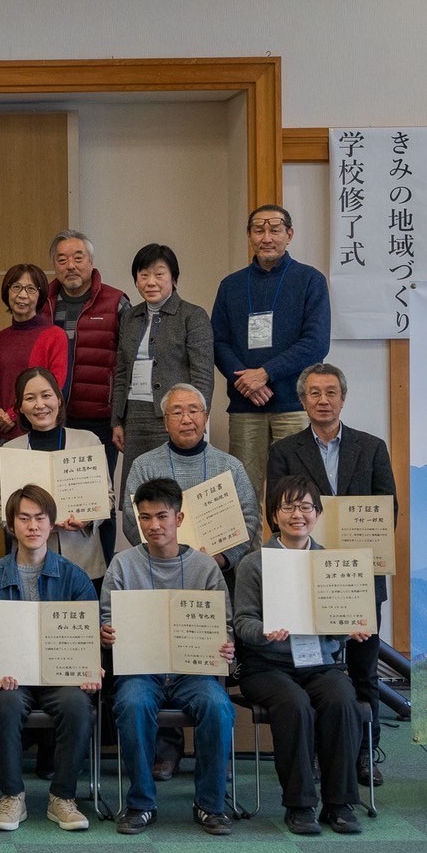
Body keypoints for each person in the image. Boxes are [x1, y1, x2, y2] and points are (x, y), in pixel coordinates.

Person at [266, 362, 397, 786]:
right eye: (314, 393)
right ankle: (322, 752)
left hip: (360, 576)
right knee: (314, 667)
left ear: (343, 397)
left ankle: (364, 752)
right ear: (302, 400)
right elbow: (277, 512)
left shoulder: (372, 446)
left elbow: (386, 510)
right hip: (302, 575)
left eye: (331, 392)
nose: (323, 400)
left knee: (364, 671)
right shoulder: (284, 450)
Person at [101, 477, 236, 836]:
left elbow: (223, 623)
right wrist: (106, 632)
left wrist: (226, 644)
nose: (154, 525)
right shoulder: (122, 565)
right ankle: (141, 803)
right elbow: (105, 617)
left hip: (193, 672)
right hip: (141, 670)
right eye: (145, 517)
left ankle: (210, 804)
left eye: (162, 516)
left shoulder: (205, 568)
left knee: (219, 707)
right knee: (131, 705)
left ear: (179, 518)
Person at [233, 474, 366, 836]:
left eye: (306, 506)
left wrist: (349, 628)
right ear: (273, 516)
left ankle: (339, 804)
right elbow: (241, 622)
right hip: (267, 666)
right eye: (288, 506)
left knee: (342, 701)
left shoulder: (330, 563)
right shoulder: (254, 563)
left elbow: (334, 626)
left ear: (318, 514)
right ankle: (300, 804)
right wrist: (262, 632)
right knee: (294, 705)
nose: (298, 514)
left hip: (319, 664)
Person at [0, 484, 97, 833]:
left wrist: (89, 668)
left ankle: (62, 797)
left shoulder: (74, 576)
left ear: (52, 523)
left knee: (77, 704)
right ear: (11, 525)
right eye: (24, 518)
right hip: (12, 676)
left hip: (60, 675)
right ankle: (12, 796)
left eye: (40, 518)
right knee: (6, 704)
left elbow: (87, 635)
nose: (32, 526)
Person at [210, 204, 330, 501]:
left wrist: (264, 374)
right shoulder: (231, 285)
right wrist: (246, 383)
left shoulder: (310, 280)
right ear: (249, 236)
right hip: (245, 406)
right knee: (242, 496)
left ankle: (292, 550)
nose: (267, 237)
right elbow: (218, 342)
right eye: (258, 230)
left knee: (296, 493)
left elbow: (316, 343)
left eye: (275, 230)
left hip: (294, 404)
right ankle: (247, 551)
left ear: (289, 235)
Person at [110, 243, 214, 505]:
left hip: (174, 415)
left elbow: (202, 374)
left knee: (174, 491)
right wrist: (117, 420)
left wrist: (195, 417)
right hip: (135, 415)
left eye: (159, 274)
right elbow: (122, 371)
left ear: (174, 279)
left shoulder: (192, 316)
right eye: (143, 275)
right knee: (138, 491)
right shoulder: (130, 317)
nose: (151, 282)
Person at [120, 383, 260, 577]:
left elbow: (249, 518)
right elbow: (131, 518)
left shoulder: (229, 466)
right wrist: (164, 555)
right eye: (177, 413)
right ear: (165, 422)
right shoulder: (144, 465)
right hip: (158, 569)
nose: (186, 419)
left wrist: (222, 559)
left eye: (194, 411)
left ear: (205, 417)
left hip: (216, 570)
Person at [0, 366, 111, 582]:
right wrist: (28, 526)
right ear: (19, 407)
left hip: (82, 559)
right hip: (28, 562)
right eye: (30, 398)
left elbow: (107, 497)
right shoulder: (10, 451)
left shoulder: (88, 441)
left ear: (59, 399)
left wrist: (87, 519)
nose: (40, 405)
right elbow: (0, 507)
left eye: (46, 396)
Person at [44, 230, 129, 481]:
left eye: (78, 258)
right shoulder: (43, 304)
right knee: (53, 490)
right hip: (51, 418)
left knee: (100, 494)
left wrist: (119, 418)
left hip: (100, 420)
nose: (70, 265)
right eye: (62, 260)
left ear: (91, 262)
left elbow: (128, 363)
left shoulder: (116, 302)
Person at [0, 262, 68, 457]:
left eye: (31, 289)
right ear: (7, 292)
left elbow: (57, 388)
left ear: (40, 295)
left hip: (36, 432)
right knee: (1, 488)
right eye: (16, 287)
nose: (22, 295)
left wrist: (13, 415)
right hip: (0, 433)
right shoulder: (1, 337)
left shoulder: (54, 335)